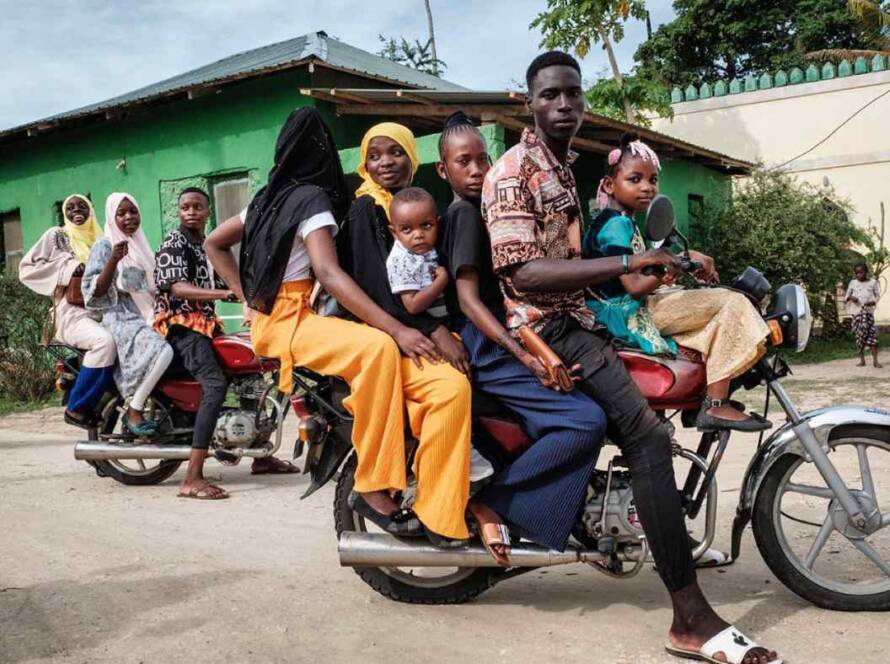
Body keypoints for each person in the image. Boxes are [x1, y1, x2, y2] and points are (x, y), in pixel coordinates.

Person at [482, 51, 779, 664]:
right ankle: (689, 618)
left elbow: (573, 264)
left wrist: (642, 273)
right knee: (645, 441)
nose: (563, 104)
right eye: (550, 96)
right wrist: (626, 264)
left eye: (572, 94)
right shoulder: (513, 172)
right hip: (549, 328)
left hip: (580, 317)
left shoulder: (562, 169)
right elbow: (526, 272)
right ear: (528, 103)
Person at [205, 108, 457, 539]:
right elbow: (328, 272)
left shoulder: (267, 199)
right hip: (293, 318)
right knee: (376, 348)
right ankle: (374, 483)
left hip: (273, 319)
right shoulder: (314, 202)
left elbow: (215, 242)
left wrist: (247, 297)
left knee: (378, 353)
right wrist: (397, 329)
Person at [435, 111, 606, 563]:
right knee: (585, 421)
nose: (476, 170)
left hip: (511, 334)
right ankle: (496, 502)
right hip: (488, 344)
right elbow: (471, 301)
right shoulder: (465, 217)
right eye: (462, 162)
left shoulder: (486, 210)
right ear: (443, 169)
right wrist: (528, 357)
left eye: (482, 159)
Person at [336, 121, 475, 548]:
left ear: (412, 157)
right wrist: (432, 331)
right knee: (451, 390)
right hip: (390, 332)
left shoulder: (409, 207)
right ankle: (435, 510)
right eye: (375, 155)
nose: (385, 163)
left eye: (395, 152)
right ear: (363, 161)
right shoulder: (367, 209)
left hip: (410, 327)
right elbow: (378, 286)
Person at [585, 133, 772, 431]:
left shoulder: (623, 220)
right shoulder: (616, 224)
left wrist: (676, 261)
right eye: (635, 179)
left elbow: (643, 271)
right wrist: (667, 268)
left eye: (653, 180)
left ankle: (705, 399)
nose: (647, 187)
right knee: (732, 302)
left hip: (629, 306)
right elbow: (634, 286)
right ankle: (716, 405)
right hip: (624, 312)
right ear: (610, 185)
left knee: (717, 309)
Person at [19, 194, 116, 426]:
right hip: (72, 313)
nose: (76, 210)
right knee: (104, 342)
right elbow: (26, 269)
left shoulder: (103, 239)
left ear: (91, 210)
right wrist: (68, 269)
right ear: (64, 213)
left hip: (106, 312)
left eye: (82, 205)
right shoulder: (57, 236)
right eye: (70, 207)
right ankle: (76, 407)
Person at [82, 193, 173, 437]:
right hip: (119, 316)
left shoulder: (140, 244)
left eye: (133, 211)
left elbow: (149, 288)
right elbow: (94, 291)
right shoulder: (105, 245)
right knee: (164, 351)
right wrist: (113, 259)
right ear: (112, 217)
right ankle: (135, 407)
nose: (129, 217)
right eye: (121, 213)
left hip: (146, 313)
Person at [386, 187, 450, 318]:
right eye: (407, 229)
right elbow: (412, 305)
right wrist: (442, 280)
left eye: (426, 225)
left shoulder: (428, 248)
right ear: (394, 233)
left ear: (437, 224)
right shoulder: (401, 259)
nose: (419, 235)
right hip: (429, 331)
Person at [846, 262, 882, 368]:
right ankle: (862, 361)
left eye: (860, 273)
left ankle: (876, 361)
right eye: (856, 273)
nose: (858, 275)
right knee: (859, 337)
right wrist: (852, 298)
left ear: (865, 272)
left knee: (872, 337)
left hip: (868, 313)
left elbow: (877, 295)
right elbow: (847, 295)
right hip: (856, 313)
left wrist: (873, 302)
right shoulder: (852, 283)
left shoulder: (873, 282)